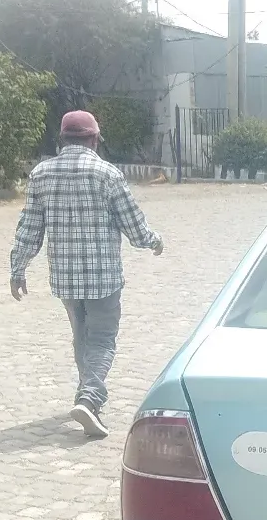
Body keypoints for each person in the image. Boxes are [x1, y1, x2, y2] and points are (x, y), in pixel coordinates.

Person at [9, 110, 164, 439]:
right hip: (103, 279)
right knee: (103, 339)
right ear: (94, 139)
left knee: (82, 337)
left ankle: (87, 394)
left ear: (62, 139)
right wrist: (154, 241)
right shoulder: (107, 174)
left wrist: (18, 267)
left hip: (65, 279)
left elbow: (29, 228)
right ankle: (90, 399)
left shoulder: (41, 175)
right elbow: (135, 228)